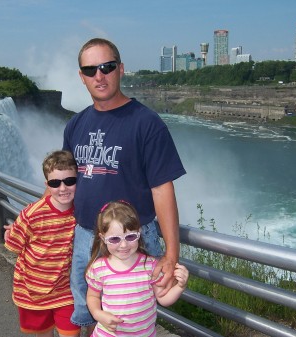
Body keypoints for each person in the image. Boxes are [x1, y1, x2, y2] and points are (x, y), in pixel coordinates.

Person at [62, 37, 187, 333]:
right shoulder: (75, 125)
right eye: (90, 70)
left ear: (120, 69)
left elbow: (162, 190)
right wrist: (36, 220)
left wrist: (172, 254)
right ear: (82, 77)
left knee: (132, 317)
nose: (99, 76)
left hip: (134, 241)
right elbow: (65, 182)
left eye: (106, 67)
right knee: (86, 310)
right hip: (86, 238)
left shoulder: (146, 123)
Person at [4, 150, 81, 337]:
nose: (63, 188)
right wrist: (12, 231)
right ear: (47, 185)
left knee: (71, 333)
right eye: (55, 183)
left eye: (69, 181)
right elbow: (14, 245)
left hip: (65, 291)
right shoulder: (32, 214)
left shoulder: (80, 213)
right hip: (32, 291)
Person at [85, 201, 189, 336]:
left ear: (139, 233)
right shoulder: (99, 268)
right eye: (115, 239)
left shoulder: (150, 265)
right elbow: (92, 296)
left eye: (130, 237)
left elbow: (163, 299)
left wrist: (180, 286)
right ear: (103, 238)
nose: (123, 245)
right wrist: (98, 314)